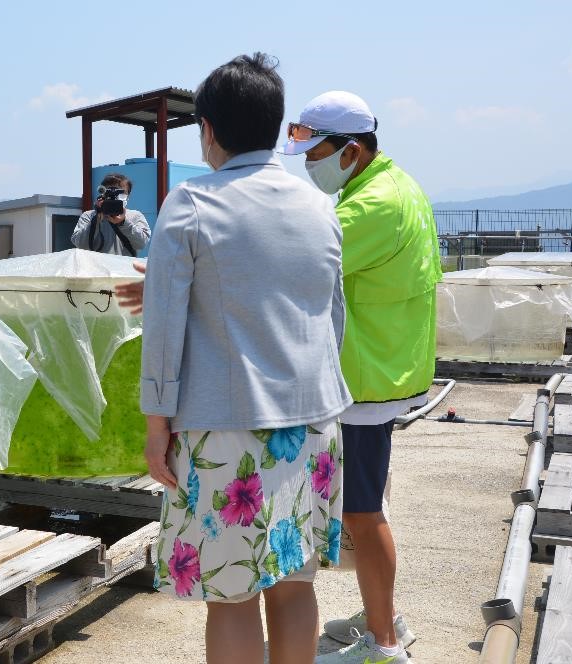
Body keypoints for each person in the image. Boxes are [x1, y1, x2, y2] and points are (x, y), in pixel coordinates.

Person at [139, 53, 352, 664]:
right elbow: (331, 319)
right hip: (313, 425)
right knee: (295, 584)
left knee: (231, 598)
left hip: (226, 428)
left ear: (208, 129)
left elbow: (163, 328)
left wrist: (157, 426)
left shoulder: (192, 203)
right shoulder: (320, 209)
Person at [279, 91, 441, 664]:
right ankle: (383, 616)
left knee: (363, 513)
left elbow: (298, 257)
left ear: (351, 150)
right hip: (385, 366)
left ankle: (384, 645)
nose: (306, 162)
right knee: (365, 508)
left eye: (314, 150)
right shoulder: (393, 186)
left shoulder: (371, 208)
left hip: (367, 376)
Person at [70, 173, 151, 256]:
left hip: (124, 268)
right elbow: (80, 244)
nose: (115, 197)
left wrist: (123, 222)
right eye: (109, 193)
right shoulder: (89, 216)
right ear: (103, 194)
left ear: (128, 196)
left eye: (120, 193)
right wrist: (96, 219)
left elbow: (142, 243)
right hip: (95, 268)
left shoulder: (136, 216)